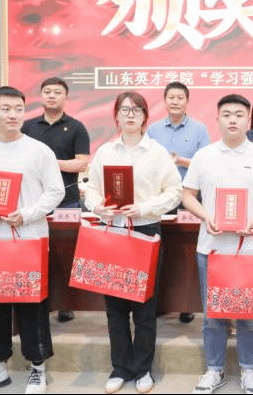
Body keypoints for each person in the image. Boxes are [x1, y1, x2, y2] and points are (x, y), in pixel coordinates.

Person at [0, 86, 65, 395]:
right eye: (6, 109)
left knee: (32, 305)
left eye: (18, 109)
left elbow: (56, 191)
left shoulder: (39, 151)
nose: (13, 115)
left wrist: (28, 214)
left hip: (29, 237)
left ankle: (37, 369)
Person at [182, 94, 253, 395]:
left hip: (249, 250)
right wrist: (206, 216)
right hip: (211, 248)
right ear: (217, 119)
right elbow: (187, 195)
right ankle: (214, 370)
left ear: (247, 119)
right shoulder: (203, 156)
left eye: (239, 115)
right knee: (213, 315)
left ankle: (249, 370)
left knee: (249, 316)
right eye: (226, 114)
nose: (232, 120)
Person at [85, 91, 181, 394]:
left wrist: (144, 208)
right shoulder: (105, 152)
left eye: (136, 110)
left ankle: (142, 369)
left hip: (145, 230)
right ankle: (120, 368)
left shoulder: (156, 152)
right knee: (114, 308)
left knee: (144, 308)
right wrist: (97, 206)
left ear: (145, 117)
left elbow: (174, 191)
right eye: (124, 110)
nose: (130, 115)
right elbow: (91, 188)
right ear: (116, 116)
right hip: (112, 230)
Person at [22, 76, 90, 323]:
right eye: (47, 91)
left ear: (66, 98)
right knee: (36, 252)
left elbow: (82, 163)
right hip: (32, 201)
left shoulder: (76, 127)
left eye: (57, 92)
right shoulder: (28, 127)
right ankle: (38, 299)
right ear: (41, 96)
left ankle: (66, 305)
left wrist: (51, 163)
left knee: (66, 254)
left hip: (67, 201)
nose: (52, 96)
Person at [146, 81, 210, 325]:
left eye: (180, 97)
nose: (175, 101)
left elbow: (206, 163)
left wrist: (181, 161)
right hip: (159, 198)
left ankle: (186, 305)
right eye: (171, 97)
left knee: (187, 252)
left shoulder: (199, 129)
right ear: (164, 101)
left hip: (189, 198)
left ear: (187, 101)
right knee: (160, 251)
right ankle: (159, 303)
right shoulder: (152, 130)